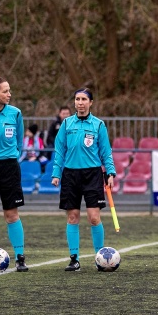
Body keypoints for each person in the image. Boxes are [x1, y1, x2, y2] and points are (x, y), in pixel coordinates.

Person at [50, 87, 117, 271]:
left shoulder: (98, 125)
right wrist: (56, 173)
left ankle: (101, 259)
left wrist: (110, 173)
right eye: (77, 99)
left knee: (94, 218)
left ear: (91, 103)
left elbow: (106, 152)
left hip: (92, 175)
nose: (80, 103)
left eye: (84, 99)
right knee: (72, 217)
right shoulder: (66, 124)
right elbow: (60, 150)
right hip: (70, 175)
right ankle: (74, 259)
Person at [0, 77, 28, 271]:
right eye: (5, 91)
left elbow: (19, 141)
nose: (9, 94)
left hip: (10, 168)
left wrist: (11, 156)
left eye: (10, 91)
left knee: (11, 214)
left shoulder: (16, 113)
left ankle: (20, 257)